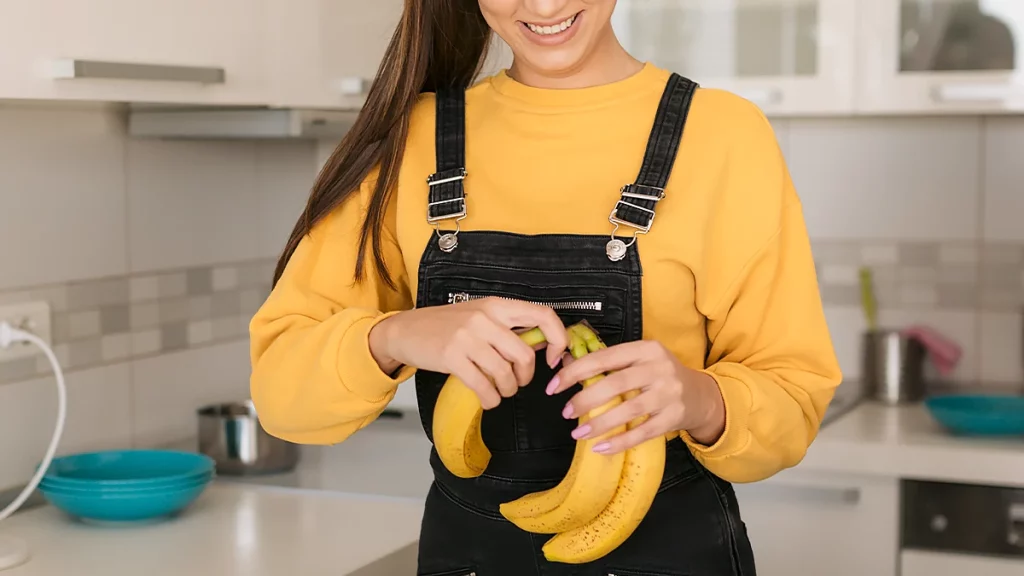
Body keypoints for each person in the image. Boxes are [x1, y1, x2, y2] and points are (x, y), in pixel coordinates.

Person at [250, 0, 842, 574]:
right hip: (469, 558)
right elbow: (281, 397)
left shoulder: (723, 135)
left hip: (670, 553)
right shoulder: (410, 139)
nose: (543, 2)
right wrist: (393, 335)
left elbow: (792, 401)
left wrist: (701, 398)